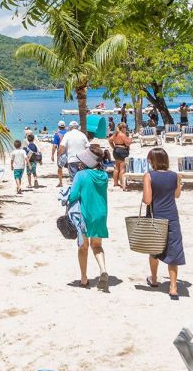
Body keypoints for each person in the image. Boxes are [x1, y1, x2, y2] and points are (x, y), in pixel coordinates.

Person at [141, 147, 184, 300]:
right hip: (172, 216)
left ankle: (154, 279)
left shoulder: (149, 176)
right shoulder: (175, 175)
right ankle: (173, 286)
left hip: (156, 217)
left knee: (154, 248)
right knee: (173, 250)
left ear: (153, 161)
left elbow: (147, 200)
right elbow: (177, 195)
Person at [68, 148, 110, 290]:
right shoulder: (104, 175)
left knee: (83, 247)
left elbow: (73, 195)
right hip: (101, 214)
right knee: (97, 246)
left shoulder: (80, 175)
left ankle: (84, 278)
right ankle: (103, 270)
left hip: (85, 215)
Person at [108, 122, 132, 190]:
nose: (126, 129)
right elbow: (128, 143)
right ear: (123, 128)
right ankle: (122, 183)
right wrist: (130, 138)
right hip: (122, 151)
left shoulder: (115, 134)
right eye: (125, 127)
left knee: (116, 168)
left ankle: (115, 183)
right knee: (122, 168)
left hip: (116, 151)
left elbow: (109, 141)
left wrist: (113, 147)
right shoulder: (122, 135)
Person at [50, 121, 66, 188]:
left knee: (60, 168)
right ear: (64, 126)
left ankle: (60, 183)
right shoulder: (68, 133)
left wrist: (52, 155)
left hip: (61, 153)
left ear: (58, 127)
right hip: (69, 152)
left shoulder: (57, 134)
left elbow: (54, 146)